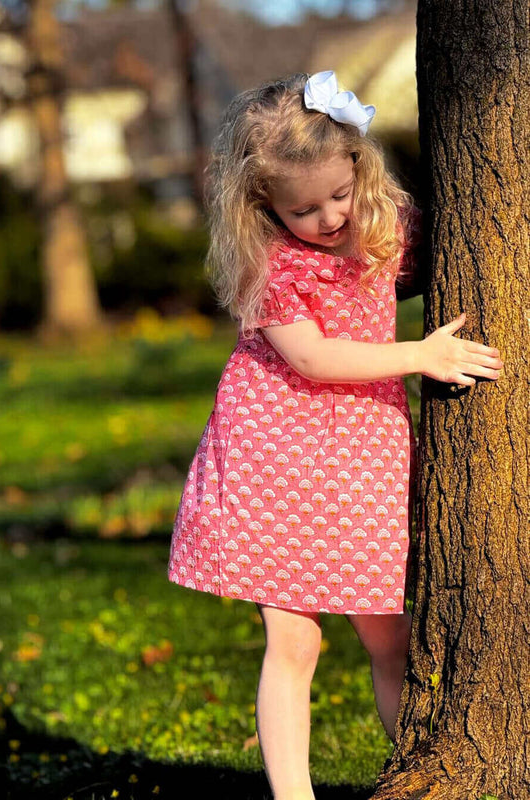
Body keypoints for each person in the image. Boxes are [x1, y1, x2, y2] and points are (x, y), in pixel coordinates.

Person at [167, 71, 503, 800]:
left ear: (359, 166)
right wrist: (419, 356)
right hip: (276, 457)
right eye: (303, 208)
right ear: (263, 205)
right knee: (293, 639)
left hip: (361, 460)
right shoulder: (272, 264)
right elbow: (312, 358)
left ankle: (420, 768)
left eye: (338, 195)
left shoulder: (379, 223)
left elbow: (427, 255)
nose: (328, 218)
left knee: (389, 634)